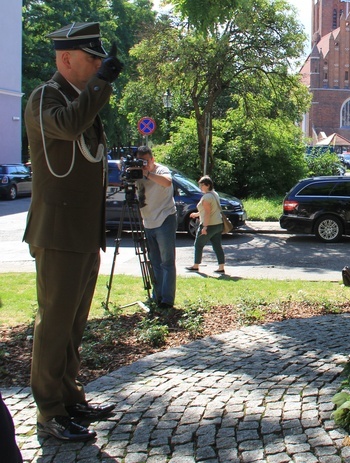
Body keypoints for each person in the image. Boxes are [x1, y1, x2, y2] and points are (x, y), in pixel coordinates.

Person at [23, 22, 123, 442]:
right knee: (55, 324)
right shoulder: (46, 97)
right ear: (66, 59)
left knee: (73, 326)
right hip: (58, 230)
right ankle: (49, 411)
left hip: (82, 231)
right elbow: (67, 127)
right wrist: (100, 85)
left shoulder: (79, 99)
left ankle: (69, 397)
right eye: (92, 58)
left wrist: (96, 86)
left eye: (101, 59)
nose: (100, 64)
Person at [134, 146, 177, 309]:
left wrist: (147, 173)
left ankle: (167, 299)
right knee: (154, 262)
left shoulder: (161, 170)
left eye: (145, 161)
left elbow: (167, 182)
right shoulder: (136, 172)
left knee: (167, 261)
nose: (143, 165)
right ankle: (157, 295)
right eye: (140, 162)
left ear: (152, 159)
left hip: (165, 218)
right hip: (148, 221)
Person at [186, 176, 226, 273]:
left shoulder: (206, 197)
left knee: (198, 244)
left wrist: (205, 227)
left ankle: (196, 265)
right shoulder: (214, 194)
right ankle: (221, 267)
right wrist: (197, 214)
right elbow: (209, 210)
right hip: (218, 224)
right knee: (217, 245)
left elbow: (207, 213)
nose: (200, 187)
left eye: (202, 185)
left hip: (209, 225)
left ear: (207, 185)